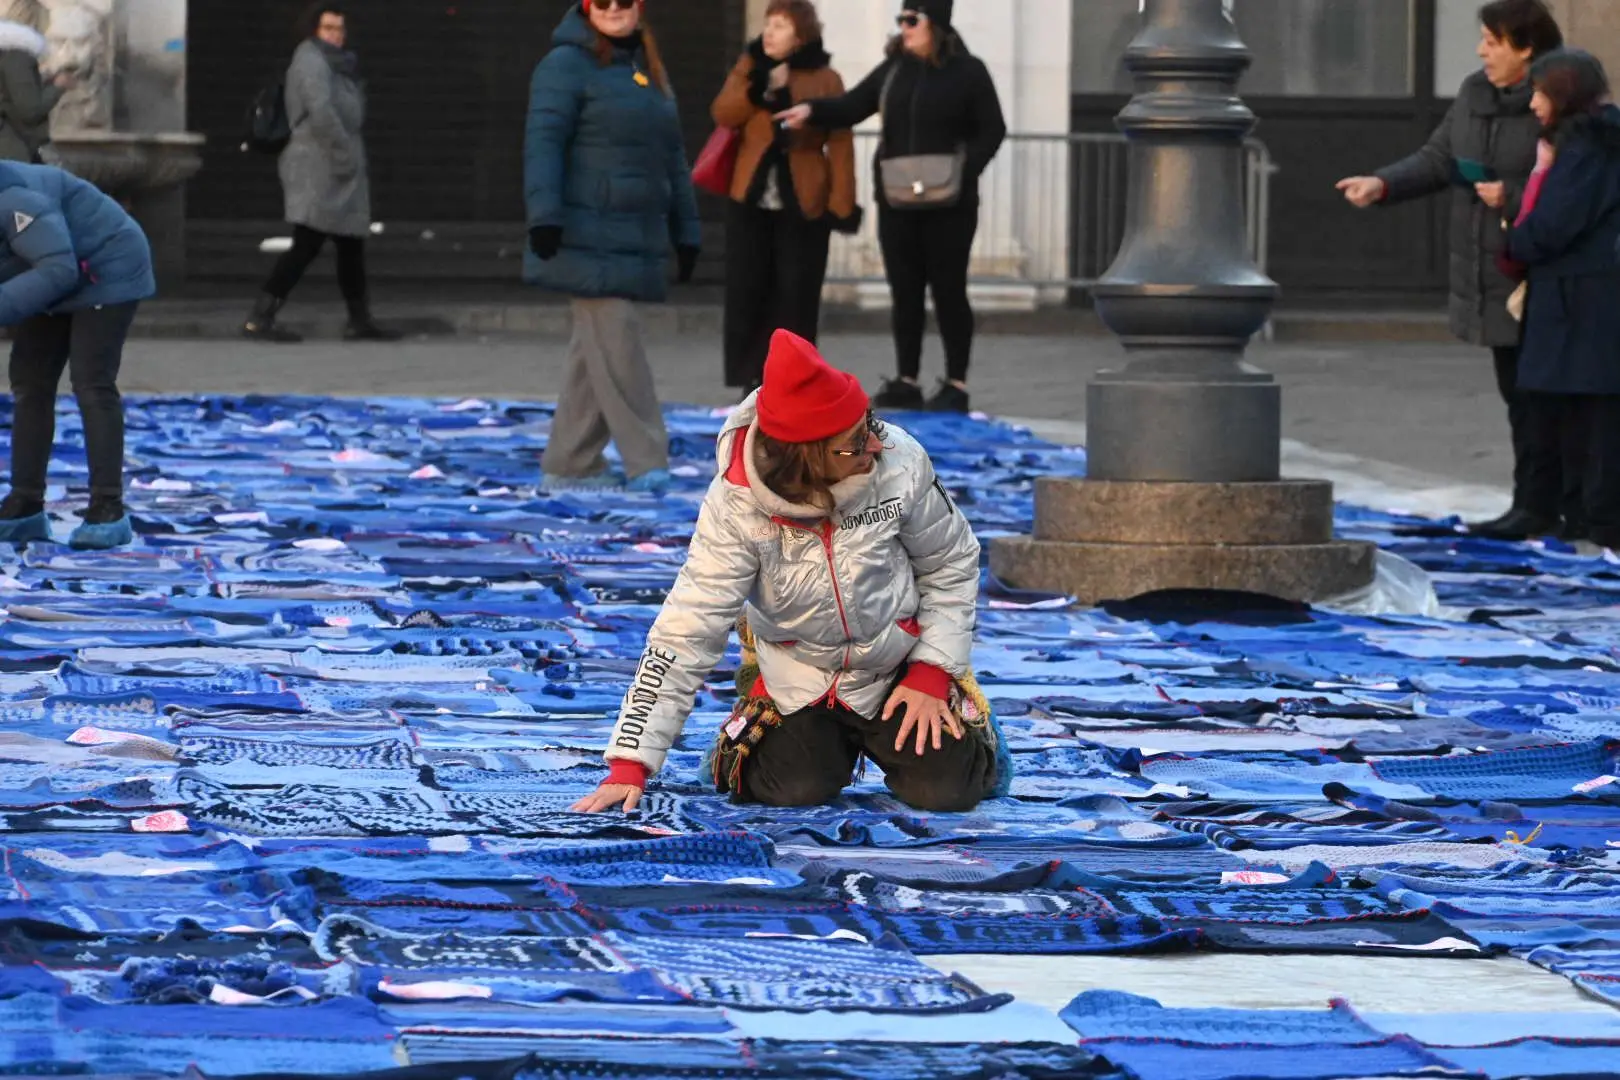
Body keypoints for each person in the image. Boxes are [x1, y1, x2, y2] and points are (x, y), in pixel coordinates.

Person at [571, 329, 1009, 815]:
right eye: (853, 443)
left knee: (949, 791)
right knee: (793, 791)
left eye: (869, 425)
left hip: (895, 665)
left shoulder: (898, 461)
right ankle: (744, 742)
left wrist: (931, 671)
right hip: (797, 673)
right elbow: (686, 629)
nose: (874, 445)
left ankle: (973, 731)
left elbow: (952, 562)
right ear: (809, 459)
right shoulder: (735, 507)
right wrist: (631, 764)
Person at [1337, 0, 1565, 541]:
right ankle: (1534, 504)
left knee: (1546, 400)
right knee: (1519, 395)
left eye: (1493, 40)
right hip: (1489, 276)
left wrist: (1511, 196)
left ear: (1526, 47)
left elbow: (1582, 183)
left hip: (1541, 278)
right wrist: (1384, 183)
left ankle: (1547, 506)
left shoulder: (1558, 99)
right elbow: (1439, 158)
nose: (1482, 50)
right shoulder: (1472, 93)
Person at [777, 0, 1005, 415]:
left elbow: (993, 129)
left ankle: (956, 383)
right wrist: (811, 110)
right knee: (905, 291)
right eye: (901, 19)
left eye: (912, 20)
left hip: (950, 202)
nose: (904, 27)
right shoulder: (894, 69)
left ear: (935, 25)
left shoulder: (969, 72)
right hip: (897, 199)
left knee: (949, 288)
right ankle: (907, 380)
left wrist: (962, 168)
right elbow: (853, 105)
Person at [524, 0, 700, 494]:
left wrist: (687, 230)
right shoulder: (563, 66)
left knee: (594, 351)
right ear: (585, 7)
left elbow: (673, 158)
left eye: (625, 0)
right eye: (603, 1)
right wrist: (545, 217)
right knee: (618, 343)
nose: (615, 9)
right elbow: (543, 143)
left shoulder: (645, 69)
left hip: (633, 234)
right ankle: (648, 460)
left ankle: (569, 462)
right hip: (584, 234)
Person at [0, 161, 154, 549]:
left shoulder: (15, 199)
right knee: (30, 383)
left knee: (91, 382)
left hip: (106, 268)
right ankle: (25, 503)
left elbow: (57, 266)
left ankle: (107, 506)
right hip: (49, 274)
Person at [1503, 49, 1620, 553]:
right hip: (1588, 298)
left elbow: (1551, 228)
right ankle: (1588, 516)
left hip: (1579, 301)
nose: (1532, 103)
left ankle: (1592, 519)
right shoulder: (1596, 142)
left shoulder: (1584, 150)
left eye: (1540, 92)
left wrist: (1514, 237)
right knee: (1590, 415)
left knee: (1581, 418)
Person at [711, 0, 859, 395]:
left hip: (805, 201)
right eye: (768, 24)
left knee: (796, 293)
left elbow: (841, 143)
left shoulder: (827, 78)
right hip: (751, 198)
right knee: (747, 288)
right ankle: (749, 378)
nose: (769, 32)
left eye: (780, 25)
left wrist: (842, 204)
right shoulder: (750, 67)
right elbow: (724, 113)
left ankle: (793, 379)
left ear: (801, 32)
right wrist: (757, 86)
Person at [242, 2, 398, 344]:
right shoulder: (311, 61)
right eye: (328, 28)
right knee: (307, 243)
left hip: (335, 166)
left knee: (350, 244)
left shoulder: (338, 64)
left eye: (340, 29)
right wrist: (345, 157)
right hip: (321, 166)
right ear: (314, 30)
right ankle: (261, 316)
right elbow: (322, 112)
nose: (336, 36)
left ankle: (359, 319)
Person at [0, 0, 68, 164]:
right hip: (14, 150)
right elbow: (30, 110)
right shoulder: (17, 55)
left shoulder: (8, 53)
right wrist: (58, 86)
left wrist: (45, 83)